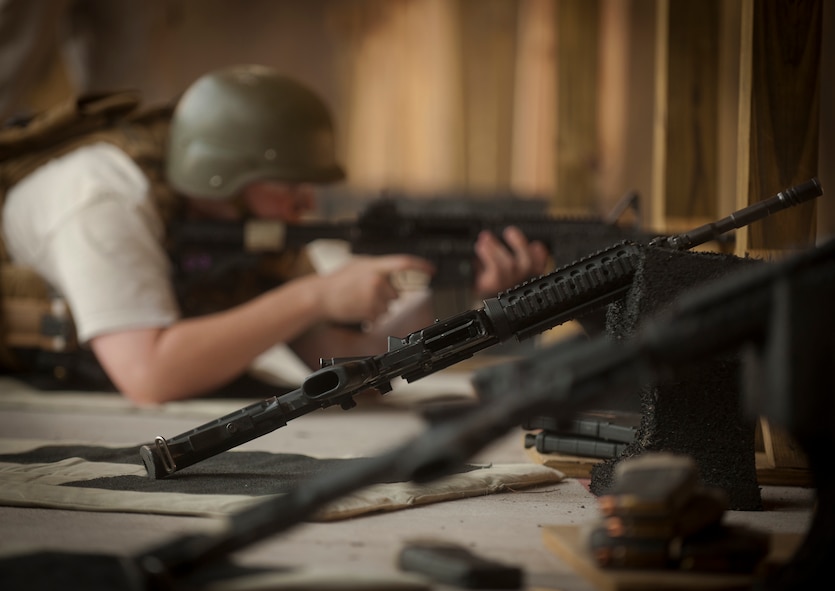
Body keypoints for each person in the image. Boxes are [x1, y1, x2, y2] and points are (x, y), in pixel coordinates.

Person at [0, 64, 549, 405]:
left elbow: (342, 359)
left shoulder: (248, 220)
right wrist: (315, 295)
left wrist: (455, 290)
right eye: (291, 184)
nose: (306, 203)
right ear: (226, 179)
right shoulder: (104, 196)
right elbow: (150, 377)